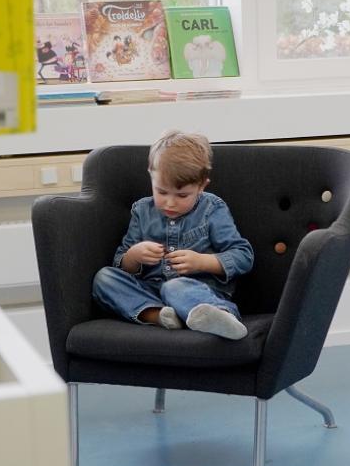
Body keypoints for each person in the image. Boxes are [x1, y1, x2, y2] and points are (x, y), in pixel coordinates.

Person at [92, 130, 254, 340]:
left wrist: (202, 262)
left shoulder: (212, 209)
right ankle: (158, 315)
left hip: (197, 291)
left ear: (201, 185)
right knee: (104, 278)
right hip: (150, 292)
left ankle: (221, 316)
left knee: (175, 287)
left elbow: (244, 256)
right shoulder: (141, 211)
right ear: (151, 175)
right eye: (161, 192)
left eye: (182, 195)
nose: (170, 202)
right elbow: (121, 264)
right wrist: (134, 255)